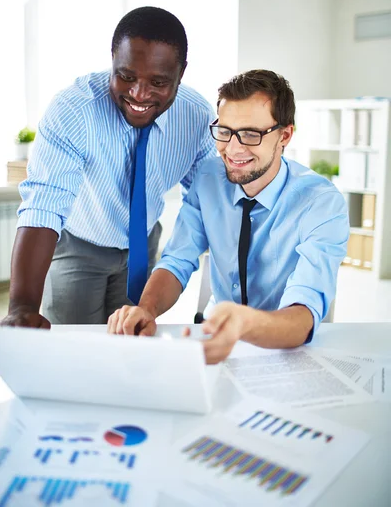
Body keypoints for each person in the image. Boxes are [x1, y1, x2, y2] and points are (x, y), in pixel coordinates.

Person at [107, 69, 349, 363]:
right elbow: (177, 260)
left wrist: (244, 324)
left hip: (286, 349)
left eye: (250, 134)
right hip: (214, 336)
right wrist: (146, 309)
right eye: (225, 131)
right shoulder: (208, 178)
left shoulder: (322, 203)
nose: (232, 149)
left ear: (284, 135)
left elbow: (305, 313)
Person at [0, 6, 216, 328]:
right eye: (126, 76)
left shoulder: (196, 118)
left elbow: (208, 201)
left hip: (142, 246)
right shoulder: (74, 110)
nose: (139, 94)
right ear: (113, 57)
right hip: (79, 243)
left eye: (158, 82)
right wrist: (21, 306)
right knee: (74, 349)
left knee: (128, 344)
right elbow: (43, 203)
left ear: (181, 73)